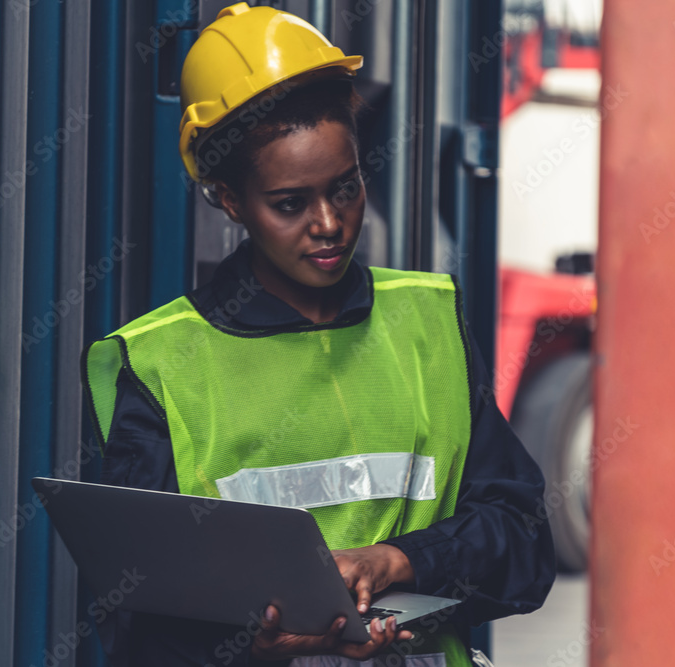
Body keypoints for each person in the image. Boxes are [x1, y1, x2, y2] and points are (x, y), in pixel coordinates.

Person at [82, 4, 555, 665]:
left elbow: (525, 545)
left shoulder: (428, 324)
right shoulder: (162, 364)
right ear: (228, 198)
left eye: (346, 186)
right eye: (290, 203)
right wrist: (254, 644)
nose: (329, 222)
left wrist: (398, 560)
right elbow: (142, 624)